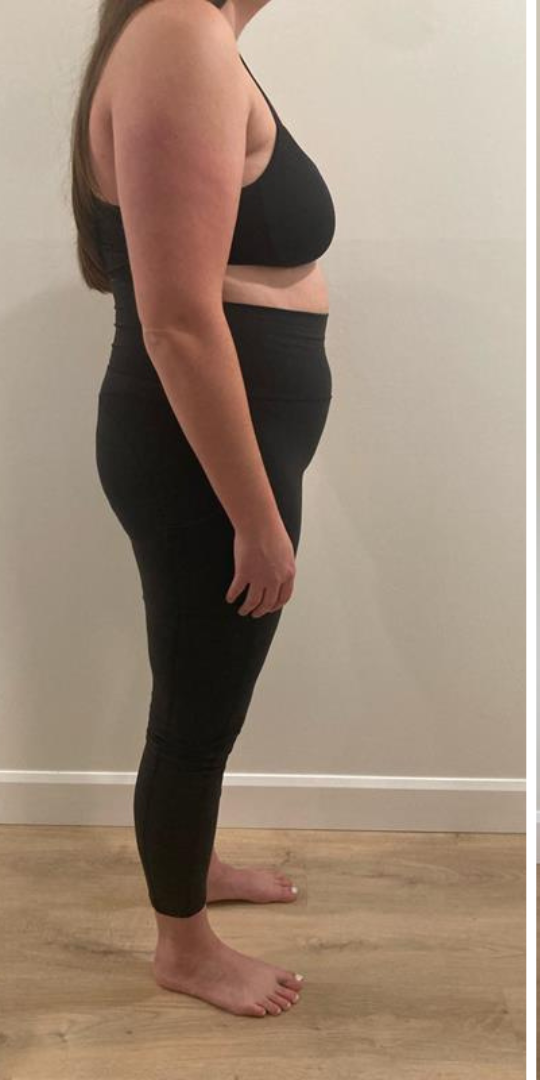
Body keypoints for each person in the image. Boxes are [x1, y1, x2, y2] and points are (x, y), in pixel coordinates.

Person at [72, 0, 335, 1017]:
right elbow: (179, 323)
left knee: (205, 688)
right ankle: (182, 946)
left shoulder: (187, 36)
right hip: (201, 460)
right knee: (197, 706)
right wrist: (256, 518)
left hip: (216, 450)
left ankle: (194, 862)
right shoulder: (179, 32)